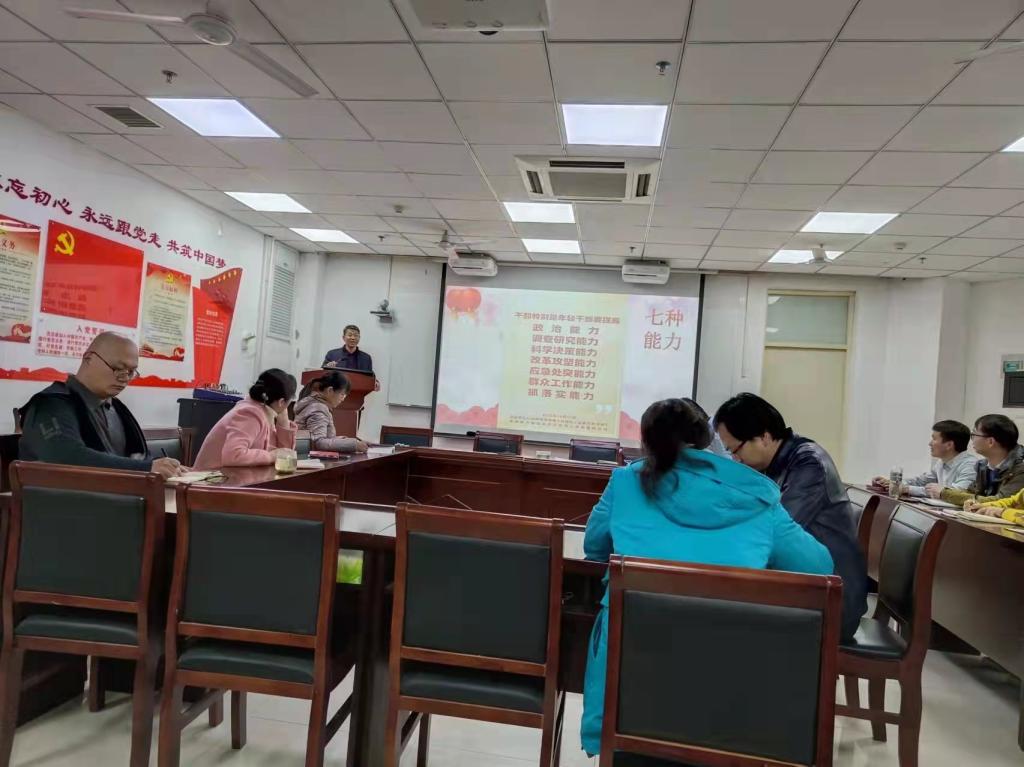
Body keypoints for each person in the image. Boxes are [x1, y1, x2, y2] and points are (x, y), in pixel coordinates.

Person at [580, 398, 833, 757]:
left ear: (647, 441)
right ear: (708, 440)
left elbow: (594, 547)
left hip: (632, 681)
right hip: (730, 685)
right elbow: (818, 567)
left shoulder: (626, 482)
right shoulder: (755, 495)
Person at [714, 393, 867, 642]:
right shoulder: (775, 465)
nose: (735, 459)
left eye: (735, 450)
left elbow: (774, 530)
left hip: (833, 601)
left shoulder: (809, 463)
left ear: (764, 436)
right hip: (808, 587)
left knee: (720, 617)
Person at [19, 332, 186, 479]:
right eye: (118, 368)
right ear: (88, 358)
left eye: (130, 372)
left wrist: (166, 467)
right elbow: (68, 457)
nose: (124, 378)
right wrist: (146, 468)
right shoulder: (51, 405)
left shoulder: (115, 407)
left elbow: (135, 457)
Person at [193, 368, 298, 470]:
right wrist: (271, 456)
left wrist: (284, 422)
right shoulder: (250, 413)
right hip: (211, 477)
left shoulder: (265, 411)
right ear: (281, 402)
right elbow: (234, 455)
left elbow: (284, 454)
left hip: (231, 476)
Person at [871, 420, 976, 498]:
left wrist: (906, 489)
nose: (930, 443)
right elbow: (921, 481)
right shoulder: (941, 462)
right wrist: (893, 483)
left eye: (934, 439)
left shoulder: (971, 465)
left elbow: (955, 493)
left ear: (949, 445)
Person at [940, 414, 1024, 506]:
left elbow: (999, 501)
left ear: (990, 442)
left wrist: (945, 493)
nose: (972, 440)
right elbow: (971, 493)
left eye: (974, 434)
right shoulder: (983, 465)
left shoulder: (1020, 467)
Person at [293, 371, 368, 454]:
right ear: (330, 390)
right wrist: (354, 445)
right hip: (309, 459)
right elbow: (319, 443)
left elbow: (323, 439)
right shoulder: (318, 408)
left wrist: (351, 441)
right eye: (342, 394)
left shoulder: (316, 404)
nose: (343, 399)